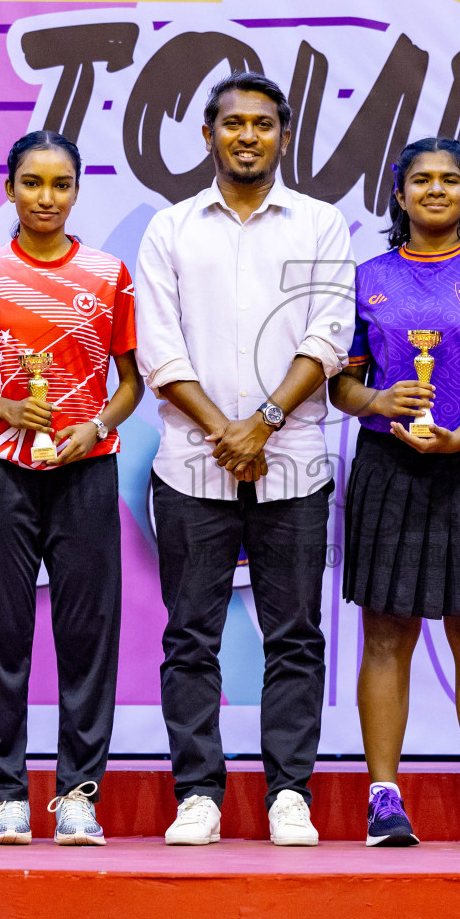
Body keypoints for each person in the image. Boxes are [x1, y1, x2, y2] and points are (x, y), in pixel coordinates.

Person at [135, 72, 354, 846]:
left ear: (284, 136)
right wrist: (224, 429)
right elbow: (158, 348)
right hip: (190, 466)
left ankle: (289, 791)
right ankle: (198, 792)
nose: (248, 136)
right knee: (189, 637)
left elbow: (326, 336)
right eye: (234, 124)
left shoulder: (320, 225)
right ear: (208, 136)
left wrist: (259, 424)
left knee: (293, 633)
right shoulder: (171, 229)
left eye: (264, 124)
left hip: (292, 461)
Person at [330, 137, 460, 848]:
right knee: (386, 630)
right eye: (421, 180)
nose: (436, 191)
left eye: (451, 180)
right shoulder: (366, 276)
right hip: (389, 468)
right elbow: (341, 383)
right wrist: (377, 402)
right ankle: (383, 798)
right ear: (398, 194)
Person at [0, 130, 143, 846]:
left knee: (88, 636)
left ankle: (78, 796)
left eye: (60, 184)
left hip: (86, 471)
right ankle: (4, 795)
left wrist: (94, 424)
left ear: (76, 190)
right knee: (0, 636)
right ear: (9, 188)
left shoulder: (107, 274)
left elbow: (130, 385)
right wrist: (6, 410)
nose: (46, 197)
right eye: (31, 183)